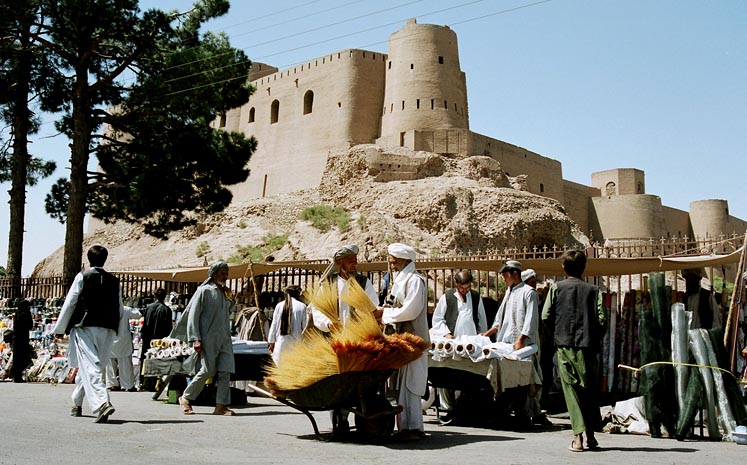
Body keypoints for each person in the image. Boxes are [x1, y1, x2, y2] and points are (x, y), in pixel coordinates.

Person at [541, 250, 607, 452]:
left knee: (571, 391)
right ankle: (591, 436)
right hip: (588, 347)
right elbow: (602, 319)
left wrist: (557, 333)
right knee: (588, 391)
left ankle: (577, 438)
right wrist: (593, 336)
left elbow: (545, 315)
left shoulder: (556, 288)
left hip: (564, 346)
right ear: (584, 268)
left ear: (563, 268)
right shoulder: (594, 290)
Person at [53, 245, 123, 423]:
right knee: (94, 366)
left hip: (85, 327)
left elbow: (70, 302)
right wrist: (119, 330)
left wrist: (60, 329)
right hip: (107, 328)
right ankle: (77, 402)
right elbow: (119, 307)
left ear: (89, 259)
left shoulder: (82, 276)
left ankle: (101, 403)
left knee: (90, 366)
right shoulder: (114, 281)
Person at [374, 243, 429, 440]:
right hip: (403, 343)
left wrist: (385, 314)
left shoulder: (414, 281)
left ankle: (413, 428)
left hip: (415, 342)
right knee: (403, 386)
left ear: (402, 260)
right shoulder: (401, 281)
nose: (391, 264)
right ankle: (405, 427)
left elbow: (410, 310)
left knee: (411, 386)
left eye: (393, 260)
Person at [482, 260, 541, 430]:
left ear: (515, 274)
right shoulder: (508, 292)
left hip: (523, 348)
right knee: (506, 380)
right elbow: (500, 319)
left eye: (506, 276)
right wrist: (487, 334)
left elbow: (531, 319)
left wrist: (521, 340)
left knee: (523, 382)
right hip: (506, 346)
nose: (504, 280)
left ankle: (525, 415)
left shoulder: (529, 292)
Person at [171, 261, 236, 416]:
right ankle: (186, 398)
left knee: (225, 371)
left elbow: (229, 311)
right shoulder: (203, 291)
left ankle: (221, 406)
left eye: (226, 274)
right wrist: (195, 338)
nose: (225, 277)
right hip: (208, 338)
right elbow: (193, 316)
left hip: (225, 338)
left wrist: (231, 297)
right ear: (213, 275)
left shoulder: (224, 293)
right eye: (222, 274)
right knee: (207, 370)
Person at [431, 270, 488, 422]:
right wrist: (446, 334)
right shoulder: (448, 297)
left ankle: (466, 407)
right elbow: (437, 320)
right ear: (456, 284)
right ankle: (449, 407)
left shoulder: (475, 297)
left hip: (471, 344)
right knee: (449, 374)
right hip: (453, 344)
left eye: (467, 288)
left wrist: (483, 337)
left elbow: (481, 319)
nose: (465, 291)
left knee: (469, 375)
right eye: (462, 288)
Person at [311, 244, 378, 333]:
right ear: (339, 262)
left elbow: (373, 307)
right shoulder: (329, 284)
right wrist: (328, 323)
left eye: (356, 261)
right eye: (351, 261)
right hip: (334, 338)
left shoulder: (363, 282)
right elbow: (316, 309)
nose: (355, 264)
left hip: (358, 336)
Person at [139, 288, 173, 389]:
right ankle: (156, 383)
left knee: (147, 358)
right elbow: (168, 327)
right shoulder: (166, 309)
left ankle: (145, 382)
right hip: (159, 339)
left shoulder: (149, 308)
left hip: (148, 338)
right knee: (158, 360)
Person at [267, 285, 307, 366]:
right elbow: (305, 328)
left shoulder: (279, 305)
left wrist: (271, 342)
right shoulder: (302, 306)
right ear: (298, 294)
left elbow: (274, 325)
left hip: (280, 344)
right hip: (296, 345)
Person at [11, 300, 33, 383]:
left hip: (16, 339)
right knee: (22, 357)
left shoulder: (17, 314)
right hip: (23, 339)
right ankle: (18, 376)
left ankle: (16, 376)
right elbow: (30, 325)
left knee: (16, 358)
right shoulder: (26, 314)